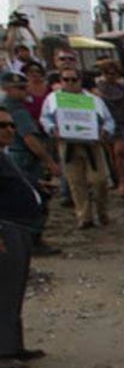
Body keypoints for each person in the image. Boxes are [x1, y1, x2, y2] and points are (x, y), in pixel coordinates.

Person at [40, 67, 115, 229]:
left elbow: (109, 120)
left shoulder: (93, 100)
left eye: (74, 79)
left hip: (92, 144)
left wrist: (105, 131)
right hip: (68, 144)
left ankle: (102, 212)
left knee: (100, 180)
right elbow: (45, 118)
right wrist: (53, 129)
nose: (70, 83)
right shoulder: (53, 99)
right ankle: (84, 217)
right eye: (66, 80)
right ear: (60, 82)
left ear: (80, 81)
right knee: (76, 182)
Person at [0, 106, 46, 368]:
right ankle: (4, 351)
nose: (9, 130)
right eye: (3, 126)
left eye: (10, 126)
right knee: (5, 290)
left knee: (14, 288)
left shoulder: (6, 157)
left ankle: (14, 345)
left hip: (20, 226)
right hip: (6, 227)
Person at [1, 71, 58, 253]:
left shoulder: (10, 108)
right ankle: (33, 240)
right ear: (7, 89)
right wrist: (49, 162)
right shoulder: (16, 111)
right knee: (34, 198)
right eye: (20, 88)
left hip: (15, 157)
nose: (25, 91)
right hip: (24, 158)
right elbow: (30, 139)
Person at [94, 60, 124, 197]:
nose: (110, 76)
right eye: (107, 73)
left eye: (113, 73)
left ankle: (123, 183)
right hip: (106, 123)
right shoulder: (99, 89)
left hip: (122, 123)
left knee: (121, 153)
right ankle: (117, 179)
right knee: (111, 154)